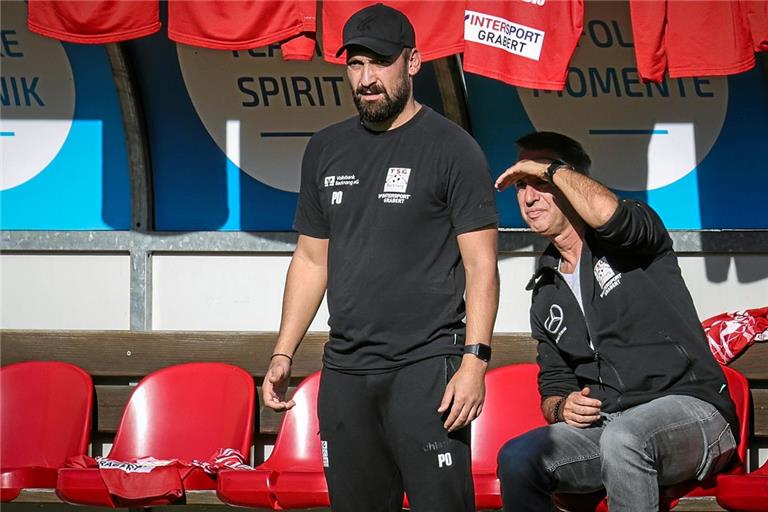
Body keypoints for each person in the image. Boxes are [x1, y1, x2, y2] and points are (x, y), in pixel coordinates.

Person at [261, 4, 500, 512]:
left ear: (412, 62)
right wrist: (283, 353)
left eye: (380, 63)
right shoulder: (325, 149)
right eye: (356, 64)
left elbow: (481, 266)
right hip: (345, 374)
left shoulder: (454, 149)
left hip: (427, 369)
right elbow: (310, 260)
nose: (367, 79)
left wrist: (475, 362)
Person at [494, 132, 738, 512]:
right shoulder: (545, 289)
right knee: (518, 456)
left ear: (570, 181)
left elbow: (611, 217)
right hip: (609, 427)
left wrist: (551, 169)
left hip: (694, 411)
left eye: (540, 183)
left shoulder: (632, 232)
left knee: (625, 438)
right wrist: (563, 408)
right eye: (521, 186)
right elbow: (554, 385)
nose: (527, 197)